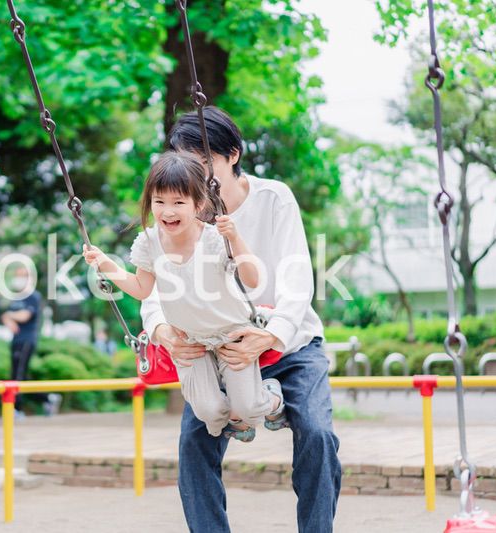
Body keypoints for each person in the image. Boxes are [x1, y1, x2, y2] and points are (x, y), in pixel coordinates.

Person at [141, 107, 341, 532]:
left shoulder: (273, 198)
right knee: (194, 443)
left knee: (318, 436)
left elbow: (296, 278)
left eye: (205, 163)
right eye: (187, 164)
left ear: (233, 155)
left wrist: (269, 338)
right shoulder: (180, 212)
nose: (195, 175)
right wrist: (161, 330)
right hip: (215, 348)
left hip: (290, 344)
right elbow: (156, 282)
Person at [83, 151, 285, 442]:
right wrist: (104, 263)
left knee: (250, 409)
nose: (168, 212)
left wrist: (236, 239)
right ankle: (233, 416)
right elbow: (141, 288)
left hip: (231, 334)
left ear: (198, 204)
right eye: (159, 202)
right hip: (190, 340)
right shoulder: (149, 241)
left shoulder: (215, 238)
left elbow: (253, 280)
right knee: (210, 412)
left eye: (178, 202)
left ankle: (271, 397)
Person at [0, 266, 60, 418]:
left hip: (27, 340)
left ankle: (17, 410)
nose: (18, 279)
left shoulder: (33, 296)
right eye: (17, 275)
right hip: (16, 340)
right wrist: (9, 317)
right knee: (21, 377)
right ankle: (48, 398)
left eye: (22, 275)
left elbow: (24, 316)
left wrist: (10, 316)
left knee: (17, 376)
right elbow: (7, 317)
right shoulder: (16, 297)